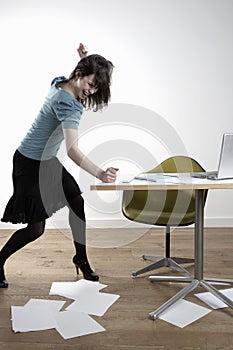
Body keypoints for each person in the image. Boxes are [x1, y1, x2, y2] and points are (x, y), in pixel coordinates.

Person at [0, 43, 118, 288]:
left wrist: (85, 60)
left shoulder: (60, 81)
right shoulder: (68, 105)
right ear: (78, 75)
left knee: (77, 202)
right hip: (29, 164)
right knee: (35, 229)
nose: (91, 91)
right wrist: (99, 173)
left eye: (96, 87)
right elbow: (73, 150)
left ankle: (81, 258)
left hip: (46, 160)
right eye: (90, 84)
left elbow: (78, 80)